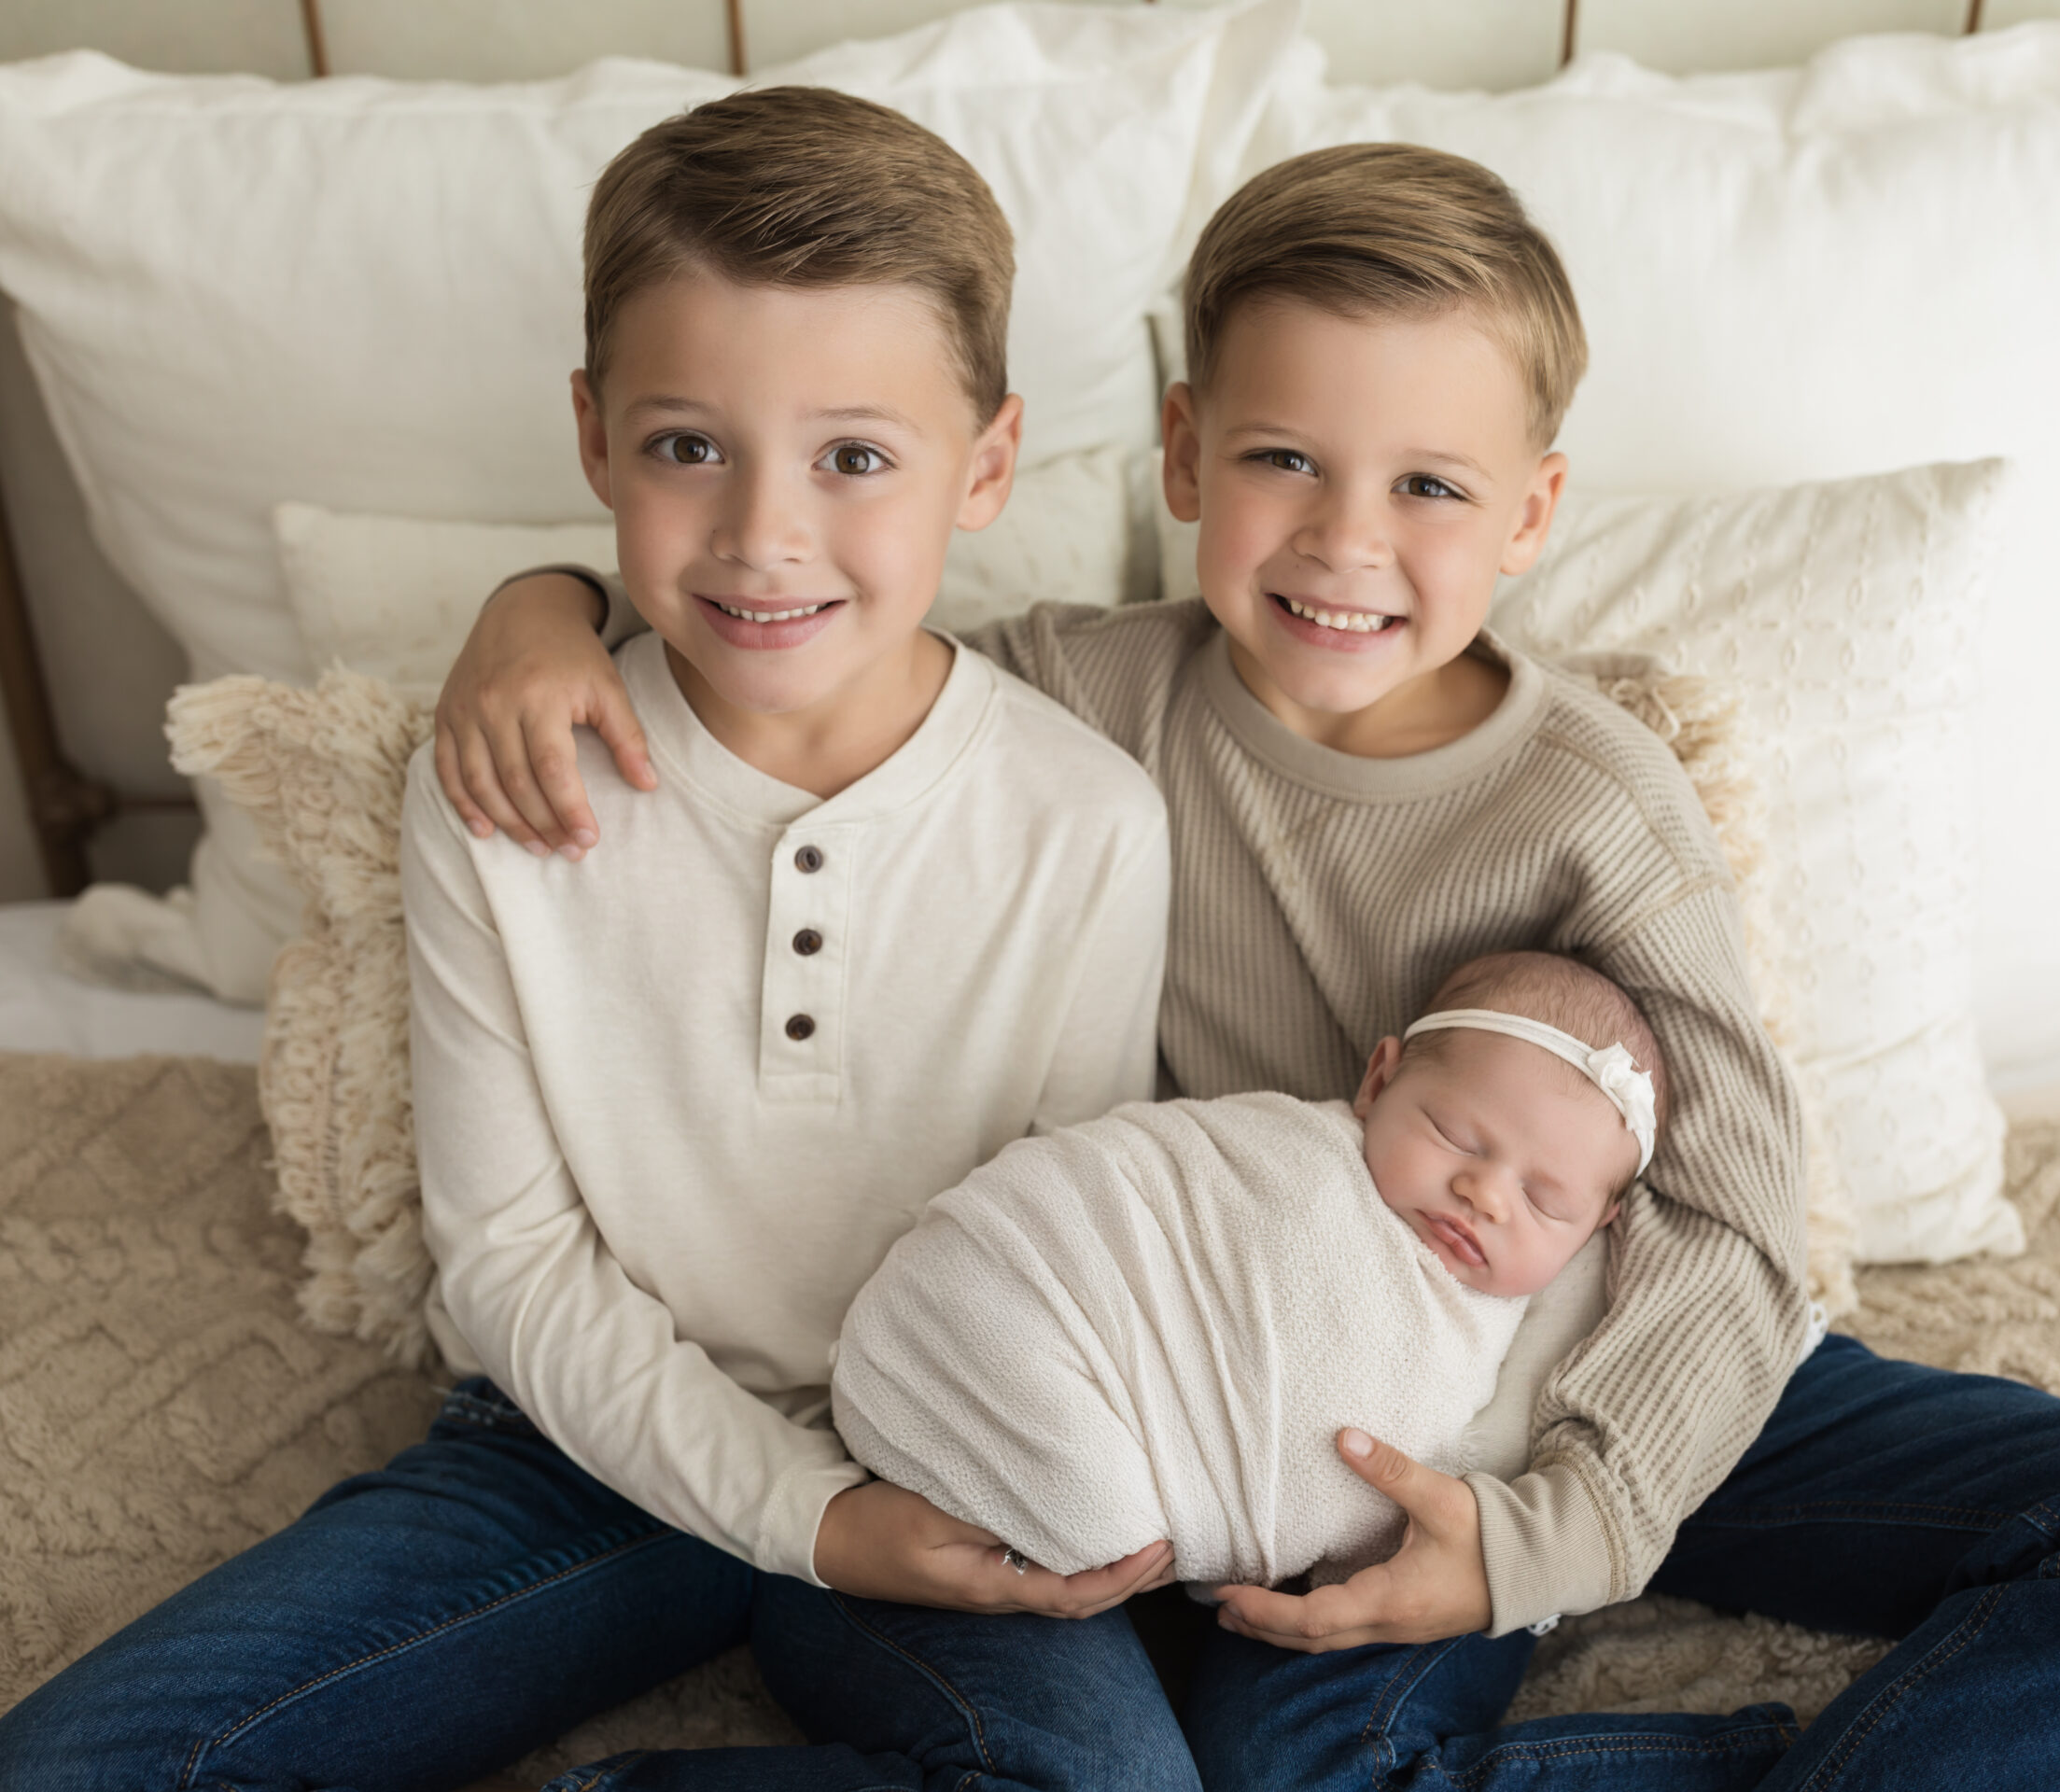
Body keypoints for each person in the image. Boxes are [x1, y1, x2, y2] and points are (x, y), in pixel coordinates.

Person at [432, 138, 2060, 1792]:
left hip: (1613, 1364)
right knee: (1290, 1759)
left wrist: (1554, 1526)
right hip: (1304, 1413)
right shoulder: (1077, 699)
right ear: (1179, 455)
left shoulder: (1591, 806)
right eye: (1280, 463)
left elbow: (1730, 1210)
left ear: (1532, 513)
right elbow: (801, 592)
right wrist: (547, 606)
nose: (1343, 542)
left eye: (1427, 488)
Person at [0, 87, 1190, 1792]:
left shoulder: (1084, 822)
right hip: (573, 1444)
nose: (764, 534)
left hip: (944, 1443)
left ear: (987, 464)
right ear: (594, 437)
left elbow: (1065, 1245)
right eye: (687, 445)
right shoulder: (504, 779)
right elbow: (511, 1261)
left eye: (856, 456)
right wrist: (805, 1518)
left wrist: (891, 1511)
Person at [834, 951, 1666, 1591]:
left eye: (1545, 1201)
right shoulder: (1285, 1158)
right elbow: (1130, 1203)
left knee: (1110, 1528)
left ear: (1597, 1228)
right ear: (1379, 1081)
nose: (1483, 1193)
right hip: (1009, 1280)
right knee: (1102, 1527)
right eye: (1454, 1134)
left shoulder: (1533, 1324)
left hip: (1070, 1392)